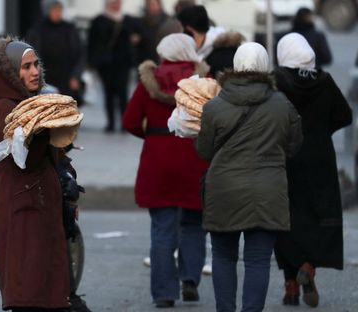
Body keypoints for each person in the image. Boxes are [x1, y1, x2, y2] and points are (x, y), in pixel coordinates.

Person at [196, 42, 303, 312]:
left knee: (223, 256)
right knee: (257, 260)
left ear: (235, 67)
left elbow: (204, 150)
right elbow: (293, 146)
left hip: (224, 190)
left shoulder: (215, 106)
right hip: (268, 191)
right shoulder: (283, 105)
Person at [0, 37, 70, 312]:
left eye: (35, 65)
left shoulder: (26, 104)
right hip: (24, 207)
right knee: (28, 291)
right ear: (9, 73)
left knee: (41, 285)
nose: (34, 72)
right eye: (25, 67)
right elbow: (26, 161)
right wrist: (47, 133)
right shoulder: (5, 108)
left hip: (37, 204)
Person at [122, 33, 209, 308]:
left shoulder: (149, 82)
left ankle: (163, 294)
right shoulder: (204, 84)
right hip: (194, 157)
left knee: (161, 228)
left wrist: (151, 135)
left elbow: (130, 121)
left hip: (157, 159)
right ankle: (190, 279)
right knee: (194, 223)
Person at [273, 32, 352, 308]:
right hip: (319, 158)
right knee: (318, 218)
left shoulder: (277, 81)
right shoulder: (324, 81)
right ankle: (308, 267)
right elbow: (345, 115)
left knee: (287, 221)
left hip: (285, 158)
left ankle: (291, 288)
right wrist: (320, 132)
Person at [87, 0, 141, 133]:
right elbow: (92, 42)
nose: (116, 5)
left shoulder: (128, 20)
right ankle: (111, 123)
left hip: (123, 63)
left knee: (123, 94)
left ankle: (124, 123)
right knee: (108, 93)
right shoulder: (99, 20)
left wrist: (135, 39)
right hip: (105, 64)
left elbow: (139, 37)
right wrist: (91, 62)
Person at [26, 0, 85, 106]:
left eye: (59, 10)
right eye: (54, 10)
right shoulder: (38, 29)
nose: (57, 13)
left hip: (66, 78)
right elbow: (31, 53)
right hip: (45, 77)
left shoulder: (69, 29)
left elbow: (80, 54)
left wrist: (76, 76)